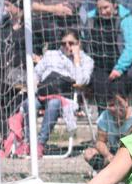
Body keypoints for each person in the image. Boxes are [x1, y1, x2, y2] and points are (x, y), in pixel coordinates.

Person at [25, 28, 94, 158]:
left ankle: (40, 143)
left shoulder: (86, 60)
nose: (67, 46)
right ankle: (28, 142)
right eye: (64, 43)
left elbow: (81, 81)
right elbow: (36, 72)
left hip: (66, 98)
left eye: (71, 43)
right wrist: (34, 85)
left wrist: (77, 59)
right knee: (29, 103)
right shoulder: (51, 55)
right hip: (43, 93)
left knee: (54, 103)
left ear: (78, 43)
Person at [84, 0, 132, 106]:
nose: (103, 12)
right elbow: (84, 42)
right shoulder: (90, 19)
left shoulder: (127, 20)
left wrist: (119, 68)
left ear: (114, 5)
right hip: (99, 66)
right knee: (100, 90)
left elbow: (130, 48)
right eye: (99, 9)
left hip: (121, 67)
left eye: (106, 7)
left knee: (117, 92)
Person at [83, 80, 132, 174]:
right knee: (89, 153)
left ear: (126, 102)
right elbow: (100, 142)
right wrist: (108, 156)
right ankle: (108, 173)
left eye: (118, 103)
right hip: (114, 154)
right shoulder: (105, 116)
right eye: (111, 105)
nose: (115, 108)